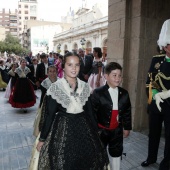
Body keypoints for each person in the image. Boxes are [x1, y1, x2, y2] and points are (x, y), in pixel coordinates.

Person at [35, 52, 109, 170]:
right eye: (70, 65)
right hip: (63, 129)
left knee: (85, 161)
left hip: (84, 129)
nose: (74, 68)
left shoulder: (85, 87)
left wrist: (97, 132)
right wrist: (42, 139)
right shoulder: (56, 88)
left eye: (77, 65)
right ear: (63, 67)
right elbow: (49, 115)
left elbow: (90, 113)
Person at [141, 19, 170, 170]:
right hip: (156, 104)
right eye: (168, 44)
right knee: (154, 133)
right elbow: (149, 81)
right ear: (164, 45)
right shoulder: (156, 59)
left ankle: (166, 164)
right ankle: (151, 158)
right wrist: (154, 96)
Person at [91, 62, 132, 170]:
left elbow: (127, 111)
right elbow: (92, 113)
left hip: (117, 131)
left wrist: (127, 127)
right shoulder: (98, 93)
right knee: (99, 154)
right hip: (101, 131)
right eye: (114, 75)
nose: (118, 78)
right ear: (106, 76)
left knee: (116, 153)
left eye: (119, 75)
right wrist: (94, 130)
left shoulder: (124, 93)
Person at [33, 65, 58, 137]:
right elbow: (43, 96)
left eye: (54, 71)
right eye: (50, 71)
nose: (52, 73)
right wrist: (41, 105)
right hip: (48, 104)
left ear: (56, 72)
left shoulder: (60, 81)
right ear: (47, 73)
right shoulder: (44, 83)